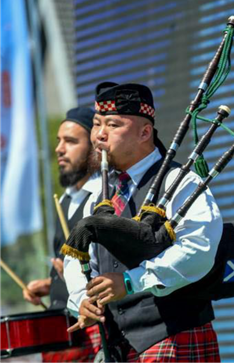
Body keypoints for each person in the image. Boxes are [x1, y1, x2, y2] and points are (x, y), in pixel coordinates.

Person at [63, 82, 223, 362]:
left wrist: (130, 281)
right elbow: (77, 259)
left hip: (173, 339)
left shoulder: (180, 182)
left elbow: (199, 248)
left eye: (112, 125)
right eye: (97, 124)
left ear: (145, 132)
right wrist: (82, 299)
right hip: (117, 345)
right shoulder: (98, 196)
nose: (99, 135)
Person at [23, 107, 102, 362]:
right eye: (59, 141)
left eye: (70, 141)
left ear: (93, 147)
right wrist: (52, 285)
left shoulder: (103, 198)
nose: (59, 149)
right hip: (62, 331)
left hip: (93, 330)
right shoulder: (66, 201)